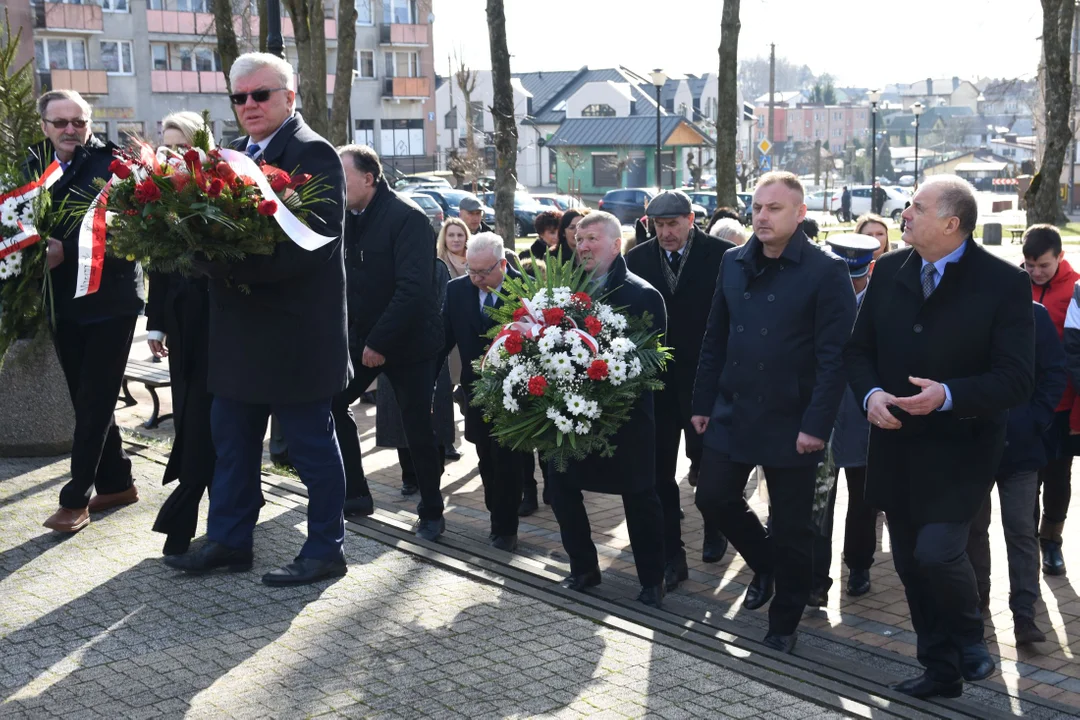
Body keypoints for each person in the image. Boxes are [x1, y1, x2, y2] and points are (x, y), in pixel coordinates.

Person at [163, 52, 351, 586]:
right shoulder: (234, 154)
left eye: (259, 94)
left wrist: (214, 262)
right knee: (232, 445)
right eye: (238, 97)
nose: (248, 105)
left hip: (294, 336)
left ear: (289, 97)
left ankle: (324, 550)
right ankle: (228, 540)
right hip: (241, 335)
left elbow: (306, 249)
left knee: (311, 451)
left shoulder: (314, 153)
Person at [845, 175, 1034, 698]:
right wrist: (871, 396)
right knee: (907, 560)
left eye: (917, 207)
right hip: (895, 440)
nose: (904, 214)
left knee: (937, 551)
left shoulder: (1004, 283)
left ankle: (971, 639)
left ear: (952, 223)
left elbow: (1017, 378)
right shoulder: (887, 272)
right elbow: (857, 352)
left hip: (962, 449)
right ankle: (940, 668)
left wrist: (948, 394)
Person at [690, 171, 856, 654]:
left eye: (774, 208)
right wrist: (702, 403)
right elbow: (714, 338)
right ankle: (765, 563)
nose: (761, 216)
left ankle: (784, 623)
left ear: (800, 215)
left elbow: (835, 358)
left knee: (792, 527)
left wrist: (816, 425)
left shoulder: (827, 271)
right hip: (733, 410)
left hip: (793, 420)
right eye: (757, 207)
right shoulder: (732, 262)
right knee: (713, 498)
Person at [28, 90, 143, 534]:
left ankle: (75, 498)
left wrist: (67, 252)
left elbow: (133, 232)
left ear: (89, 122)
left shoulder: (116, 164)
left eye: (79, 121)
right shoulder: (32, 164)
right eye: (61, 123)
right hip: (60, 300)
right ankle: (118, 482)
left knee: (95, 399)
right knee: (85, 398)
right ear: (45, 126)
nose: (71, 129)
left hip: (111, 302)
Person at [551, 211, 669, 609]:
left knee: (639, 499)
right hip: (569, 415)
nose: (582, 246)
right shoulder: (562, 292)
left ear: (616, 245)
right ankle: (583, 569)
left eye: (592, 239)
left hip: (626, 421)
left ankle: (653, 581)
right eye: (579, 239)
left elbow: (652, 364)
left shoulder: (642, 294)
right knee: (561, 488)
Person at [332, 144, 446, 540]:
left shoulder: (408, 218)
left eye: (342, 177)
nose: (336, 186)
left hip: (410, 342)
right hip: (362, 340)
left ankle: (432, 510)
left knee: (416, 425)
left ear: (368, 178)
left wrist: (379, 341)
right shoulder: (344, 217)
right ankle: (357, 494)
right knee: (332, 404)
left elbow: (414, 289)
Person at [626, 190, 735, 583]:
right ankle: (673, 553)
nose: (666, 233)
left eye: (673, 224)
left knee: (708, 467)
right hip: (656, 385)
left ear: (692, 220)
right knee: (659, 472)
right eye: (659, 225)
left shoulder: (723, 255)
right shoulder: (637, 260)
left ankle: (714, 527)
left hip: (707, 382)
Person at [967, 301, 1064, 646]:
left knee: (1021, 531)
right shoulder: (972, 312)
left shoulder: (1035, 315)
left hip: (1022, 447)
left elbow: (1055, 371)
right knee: (974, 529)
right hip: (976, 445)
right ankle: (977, 604)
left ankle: (1024, 612)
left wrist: (1035, 418)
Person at [147, 111, 220, 555]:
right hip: (180, 327)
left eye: (180, 145)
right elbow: (155, 261)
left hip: (219, 324)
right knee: (191, 413)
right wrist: (155, 321)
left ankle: (189, 506)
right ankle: (210, 501)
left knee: (207, 418)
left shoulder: (222, 188)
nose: (172, 153)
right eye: (165, 144)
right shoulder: (158, 193)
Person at [440, 232, 528, 550]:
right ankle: (497, 513)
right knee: (486, 459)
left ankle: (506, 527)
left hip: (516, 393)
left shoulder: (525, 289)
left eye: (483, 272)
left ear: (502, 264)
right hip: (475, 392)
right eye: (470, 271)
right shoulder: (456, 291)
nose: (476, 279)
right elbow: (443, 339)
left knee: (508, 460)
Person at [809, 234, 883, 605]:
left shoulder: (882, 302)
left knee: (863, 498)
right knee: (818, 498)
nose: (851, 282)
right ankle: (816, 579)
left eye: (857, 275)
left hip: (864, 413)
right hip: (822, 412)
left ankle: (859, 564)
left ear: (869, 267)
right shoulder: (816, 295)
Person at [1026, 224, 1080, 576]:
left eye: (1043, 265)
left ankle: (1051, 541)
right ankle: (1027, 541)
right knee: (1026, 478)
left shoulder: (1074, 289)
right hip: (1023, 403)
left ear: (1059, 257)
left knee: (1058, 478)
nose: (1035, 272)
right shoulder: (1014, 284)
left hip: (1062, 404)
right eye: (1029, 265)